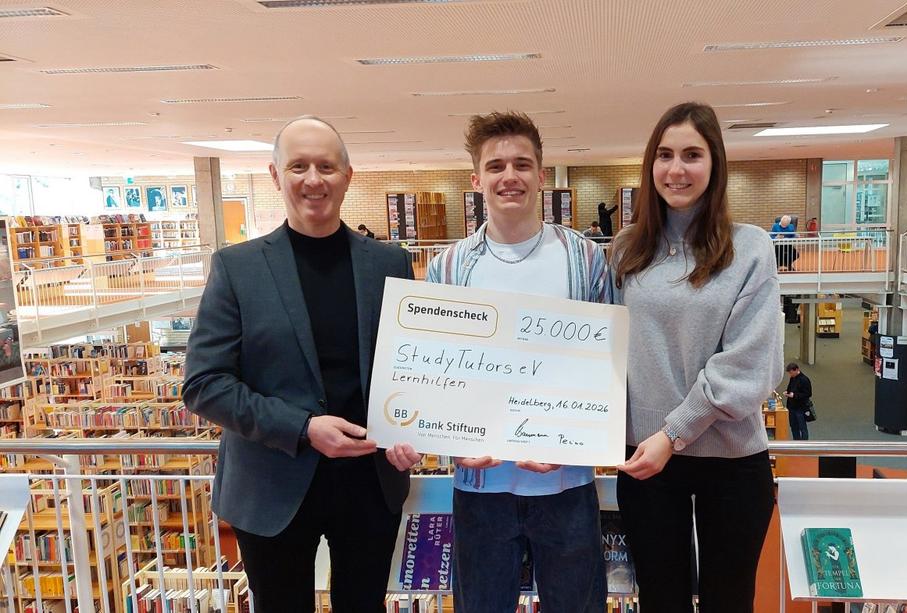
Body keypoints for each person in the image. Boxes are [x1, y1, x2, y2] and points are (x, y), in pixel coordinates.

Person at [183, 115, 419, 613]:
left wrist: (416, 427)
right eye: (299, 166)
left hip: (370, 483)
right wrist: (304, 427)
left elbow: (412, 367)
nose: (314, 179)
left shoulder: (390, 263)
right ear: (276, 175)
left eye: (327, 167)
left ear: (348, 176)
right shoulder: (237, 268)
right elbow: (204, 383)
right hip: (271, 484)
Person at [423, 111, 609, 613]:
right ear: (476, 180)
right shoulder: (448, 268)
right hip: (480, 487)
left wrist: (574, 440)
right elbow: (433, 374)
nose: (510, 176)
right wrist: (450, 442)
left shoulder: (585, 259)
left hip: (566, 483)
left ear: (541, 175)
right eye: (496, 166)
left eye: (522, 164)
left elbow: (605, 369)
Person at [611, 102, 783, 612]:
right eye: (664, 155)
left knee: (728, 602)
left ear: (715, 164)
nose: (676, 169)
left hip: (730, 462)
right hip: (645, 464)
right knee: (659, 601)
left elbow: (749, 363)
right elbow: (606, 348)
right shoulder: (626, 250)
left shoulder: (750, 248)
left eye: (692, 155)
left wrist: (673, 434)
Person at [784, 362, 813, 440]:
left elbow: (808, 394)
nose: (790, 375)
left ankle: (804, 444)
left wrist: (795, 395)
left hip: (800, 408)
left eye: (791, 373)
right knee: (793, 427)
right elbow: (790, 388)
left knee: (802, 427)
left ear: (797, 370)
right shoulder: (792, 378)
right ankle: (796, 442)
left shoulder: (805, 380)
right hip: (791, 407)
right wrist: (787, 392)